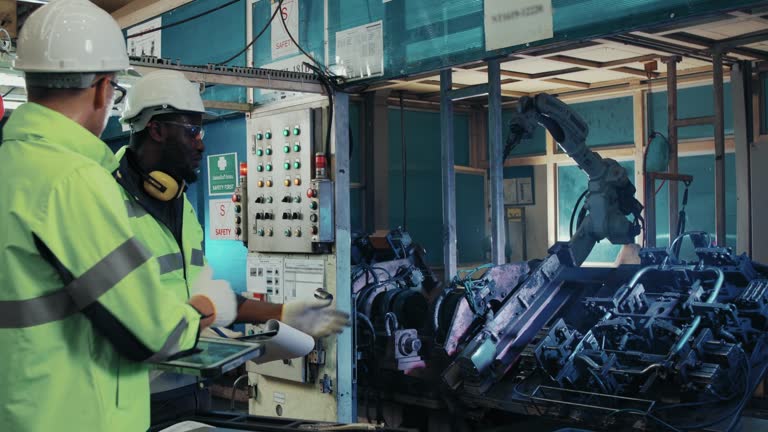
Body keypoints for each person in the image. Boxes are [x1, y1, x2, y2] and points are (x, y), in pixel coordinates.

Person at [0, 1, 228, 431]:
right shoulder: (73, 179)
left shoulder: (11, 165)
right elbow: (152, 332)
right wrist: (200, 311)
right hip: (75, 416)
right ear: (104, 88)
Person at [117, 69, 350, 425]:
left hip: (189, 389)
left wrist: (285, 312)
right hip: (130, 399)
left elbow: (207, 294)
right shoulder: (107, 205)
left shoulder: (180, 205)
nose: (201, 143)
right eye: (192, 130)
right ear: (157, 129)